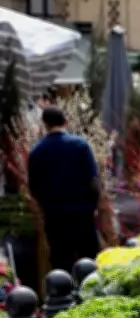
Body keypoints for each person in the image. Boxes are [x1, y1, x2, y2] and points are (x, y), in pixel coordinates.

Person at [28, 107, 101, 274]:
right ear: (65, 121)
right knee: (88, 260)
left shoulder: (37, 151)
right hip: (83, 213)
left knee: (61, 262)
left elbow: (33, 187)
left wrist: (45, 207)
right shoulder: (81, 145)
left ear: (45, 125)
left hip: (55, 216)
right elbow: (94, 181)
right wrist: (93, 206)